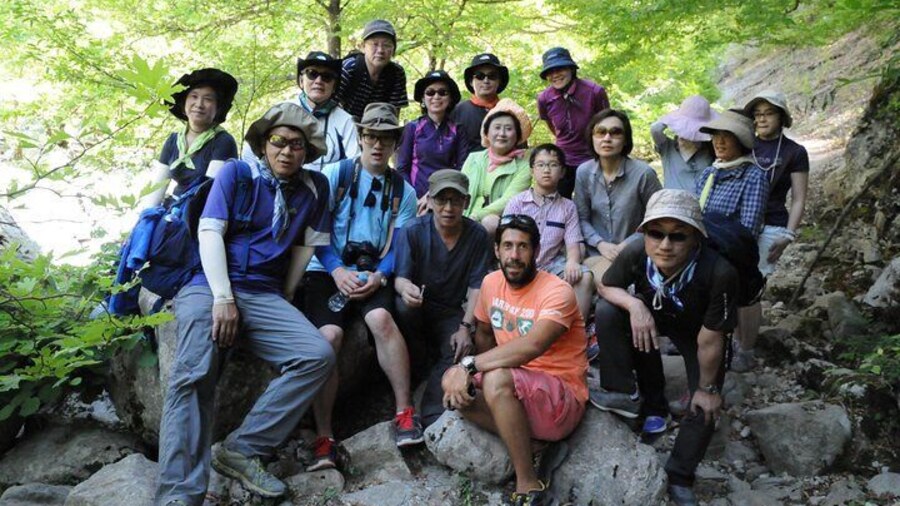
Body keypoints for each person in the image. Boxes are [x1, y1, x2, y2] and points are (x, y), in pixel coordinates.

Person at [155, 102, 335, 506]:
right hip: (208, 283)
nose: (287, 151)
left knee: (316, 354)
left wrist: (284, 299)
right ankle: (178, 495)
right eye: (278, 142)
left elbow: (307, 246)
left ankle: (243, 447)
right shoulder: (238, 173)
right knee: (194, 373)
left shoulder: (314, 188)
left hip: (263, 292)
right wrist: (222, 298)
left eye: (297, 145)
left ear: (307, 152)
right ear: (263, 144)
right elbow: (210, 231)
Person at [590, 189, 738, 506]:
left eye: (678, 236)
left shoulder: (719, 272)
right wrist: (635, 307)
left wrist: (708, 387)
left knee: (706, 400)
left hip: (698, 330)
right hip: (654, 315)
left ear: (696, 238)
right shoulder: (637, 253)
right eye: (656, 234)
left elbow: (711, 338)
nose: (665, 245)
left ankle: (681, 474)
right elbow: (606, 286)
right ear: (644, 234)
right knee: (607, 312)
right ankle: (628, 397)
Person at [300, 103, 420, 472]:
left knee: (383, 319)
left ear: (395, 142)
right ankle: (324, 437)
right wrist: (336, 270)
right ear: (361, 137)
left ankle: (404, 413)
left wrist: (381, 276)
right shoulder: (335, 175)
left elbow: (399, 244)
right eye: (371, 136)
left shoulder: (404, 191)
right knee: (329, 337)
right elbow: (315, 231)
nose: (377, 144)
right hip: (327, 270)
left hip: (372, 273)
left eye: (385, 138)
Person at [442, 214, 587, 506]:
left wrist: (470, 366)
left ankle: (529, 483)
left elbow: (532, 345)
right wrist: (462, 373)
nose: (514, 255)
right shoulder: (491, 283)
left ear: (535, 251)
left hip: (560, 396)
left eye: (523, 247)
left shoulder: (557, 292)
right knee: (452, 384)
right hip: (516, 387)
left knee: (491, 379)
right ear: (496, 250)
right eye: (507, 246)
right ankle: (532, 444)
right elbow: (483, 333)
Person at [394, 170, 493, 427]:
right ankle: (417, 368)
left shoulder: (478, 235)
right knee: (403, 308)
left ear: (466, 201)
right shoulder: (412, 230)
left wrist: (465, 327)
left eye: (455, 200)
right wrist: (407, 289)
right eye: (441, 200)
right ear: (430, 200)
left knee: (458, 348)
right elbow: (400, 278)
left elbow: (477, 287)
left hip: (450, 310)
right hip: (417, 306)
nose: (448, 208)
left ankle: (431, 415)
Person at [732, 90, 810, 372]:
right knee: (733, 282)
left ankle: (747, 350)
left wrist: (789, 235)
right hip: (739, 223)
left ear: (782, 117)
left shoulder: (794, 152)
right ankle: (737, 340)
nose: (762, 119)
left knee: (751, 287)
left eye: (769, 113)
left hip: (772, 223)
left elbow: (799, 198)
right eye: (757, 114)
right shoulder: (744, 144)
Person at [574, 109, 661, 291]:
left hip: (635, 253)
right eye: (601, 132)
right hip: (595, 252)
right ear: (592, 137)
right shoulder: (583, 172)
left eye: (615, 132)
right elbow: (581, 218)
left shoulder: (643, 174)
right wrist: (601, 243)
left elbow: (657, 221)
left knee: (610, 286)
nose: (607, 138)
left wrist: (625, 246)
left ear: (625, 139)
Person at [504, 143, 593, 321]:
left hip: (551, 266)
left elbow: (573, 240)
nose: (546, 170)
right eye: (541, 165)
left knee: (584, 277)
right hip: (519, 262)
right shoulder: (517, 203)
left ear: (562, 172)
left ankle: (577, 329)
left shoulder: (568, 207)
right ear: (532, 171)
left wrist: (573, 262)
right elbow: (504, 239)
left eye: (553, 165)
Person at [242, 51, 359, 172]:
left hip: (329, 188)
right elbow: (248, 152)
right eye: (312, 74)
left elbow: (356, 161)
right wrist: (259, 181)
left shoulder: (346, 121)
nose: (319, 80)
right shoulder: (281, 111)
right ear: (301, 81)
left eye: (327, 76)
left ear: (334, 86)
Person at [142, 68, 238, 209]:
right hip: (174, 210)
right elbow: (157, 189)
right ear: (184, 103)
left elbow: (209, 192)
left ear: (218, 108)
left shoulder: (223, 141)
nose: (199, 104)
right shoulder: (173, 141)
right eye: (194, 96)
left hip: (204, 214)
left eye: (208, 99)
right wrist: (145, 220)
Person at [537, 47, 610, 199]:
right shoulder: (544, 98)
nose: (555, 75)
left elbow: (606, 125)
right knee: (558, 202)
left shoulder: (594, 91)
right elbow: (552, 126)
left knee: (595, 204)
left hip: (593, 158)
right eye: (550, 71)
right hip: (563, 159)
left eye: (560, 68)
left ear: (571, 68)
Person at [395, 70, 470, 214]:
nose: (436, 96)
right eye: (430, 92)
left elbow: (462, 167)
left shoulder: (458, 130)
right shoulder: (412, 128)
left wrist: (432, 196)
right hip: (415, 200)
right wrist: (413, 199)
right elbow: (402, 168)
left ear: (450, 98)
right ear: (423, 98)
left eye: (443, 92)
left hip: (447, 198)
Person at [461, 98, 533, 237]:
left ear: (517, 136)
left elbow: (509, 200)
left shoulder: (525, 163)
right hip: (465, 215)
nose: (502, 133)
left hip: (501, 222)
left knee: (490, 222)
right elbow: (460, 188)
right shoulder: (474, 158)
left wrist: (475, 217)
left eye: (508, 129)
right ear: (487, 133)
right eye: (497, 127)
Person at [696, 109, 769, 238]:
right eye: (716, 135)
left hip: (729, 252)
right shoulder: (709, 173)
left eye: (727, 135)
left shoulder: (753, 177)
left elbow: (748, 232)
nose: (719, 142)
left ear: (740, 141)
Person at [334, 19, 409, 120]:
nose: (380, 50)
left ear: (393, 49)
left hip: (377, 129)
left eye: (386, 45)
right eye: (374, 44)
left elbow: (393, 113)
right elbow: (330, 102)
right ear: (363, 46)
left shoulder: (396, 74)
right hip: (344, 125)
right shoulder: (349, 68)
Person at [650, 95, 718, 193]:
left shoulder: (710, 147)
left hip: (706, 204)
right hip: (673, 204)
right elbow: (655, 129)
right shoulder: (667, 147)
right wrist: (673, 119)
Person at [450, 53, 509, 155]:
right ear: (471, 82)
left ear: (499, 81)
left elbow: (521, 148)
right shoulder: (457, 111)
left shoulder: (509, 110)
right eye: (480, 76)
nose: (486, 81)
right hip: (466, 168)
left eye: (492, 76)